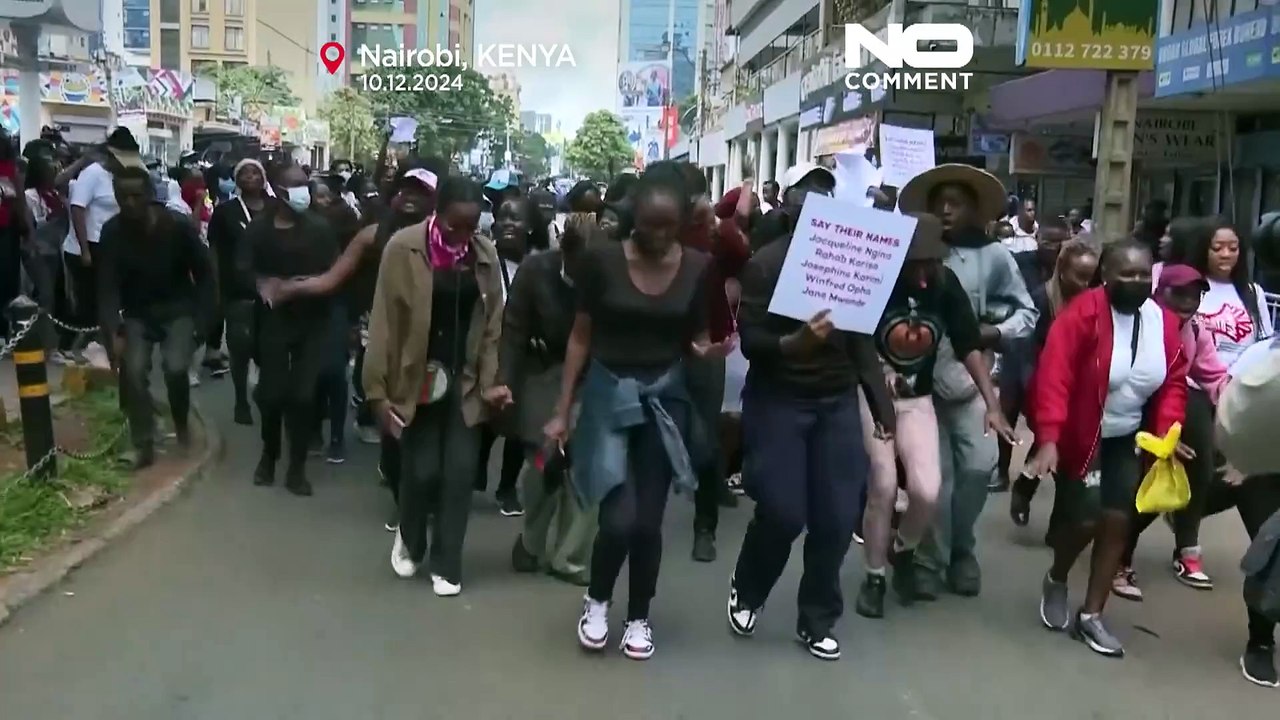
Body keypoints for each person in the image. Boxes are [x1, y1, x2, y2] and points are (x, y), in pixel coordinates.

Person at [546, 169, 729, 661]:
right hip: (609, 397)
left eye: (670, 227)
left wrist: (707, 351)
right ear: (633, 221)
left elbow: (693, 338)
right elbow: (581, 336)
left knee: (649, 522)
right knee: (619, 518)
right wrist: (562, 411)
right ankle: (598, 600)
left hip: (664, 401)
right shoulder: (602, 261)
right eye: (650, 226)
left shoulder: (697, 266)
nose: (660, 236)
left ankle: (640, 615)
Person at [723, 161, 891, 661]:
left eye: (826, 192)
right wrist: (794, 343)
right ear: (789, 203)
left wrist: (881, 402)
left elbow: (860, 340)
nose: (814, 201)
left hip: (836, 401)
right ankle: (748, 587)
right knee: (782, 511)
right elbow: (751, 342)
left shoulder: (852, 261)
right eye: (805, 192)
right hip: (780, 399)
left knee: (838, 517)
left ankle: (816, 618)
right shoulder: (766, 264)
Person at [1026, 239, 1189, 658]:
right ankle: (1058, 576)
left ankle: (1092, 615)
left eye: (1142, 273)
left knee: (1118, 520)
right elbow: (1054, 377)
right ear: (1106, 275)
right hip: (1083, 434)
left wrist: (1170, 433)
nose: (1135, 281)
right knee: (1083, 520)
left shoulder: (1163, 322)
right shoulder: (1081, 315)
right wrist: (1047, 438)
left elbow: (1172, 380)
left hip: (1128, 436)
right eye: (1125, 273)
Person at [855, 213, 1015, 618]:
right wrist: (881, 380)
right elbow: (853, 344)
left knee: (927, 489)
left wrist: (992, 405)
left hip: (917, 398)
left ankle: (902, 550)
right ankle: (874, 577)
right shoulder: (874, 283)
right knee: (885, 484)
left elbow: (968, 347)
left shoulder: (946, 287)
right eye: (916, 265)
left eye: (932, 263)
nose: (925, 274)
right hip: (873, 397)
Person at [270, 162, 442, 528]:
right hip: (385, 344)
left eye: (421, 191)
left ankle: (426, 498)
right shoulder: (372, 236)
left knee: (431, 426)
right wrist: (291, 287)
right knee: (394, 430)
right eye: (405, 189)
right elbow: (332, 278)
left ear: (436, 200)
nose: (411, 196)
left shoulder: (449, 240)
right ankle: (402, 496)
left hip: (437, 345)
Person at [363, 176, 510, 597]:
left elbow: (493, 328)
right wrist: (377, 393)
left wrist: (491, 381)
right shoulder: (403, 248)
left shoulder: (484, 254)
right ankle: (411, 537)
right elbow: (384, 323)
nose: (463, 236)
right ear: (436, 213)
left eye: (472, 226)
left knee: (460, 473)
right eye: (454, 226)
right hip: (416, 379)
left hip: (464, 382)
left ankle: (448, 562)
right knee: (422, 470)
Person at [896, 164, 1038, 597]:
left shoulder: (994, 256)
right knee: (935, 478)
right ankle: (930, 559)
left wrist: (992, 332)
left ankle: (964, 548)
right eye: (939, 203)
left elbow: (1026, 313)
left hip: (972, 383)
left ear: (975, 210)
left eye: (955, 203)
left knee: (978, 468)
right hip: (918, 386)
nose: (946, 210)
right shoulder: (907, 252)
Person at [1158, 217, 1273, 588]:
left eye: (1234, 247)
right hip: (1188, 388)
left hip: (1237, 392)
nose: (1226, 254)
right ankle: (1187, 548)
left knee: (1246, 473)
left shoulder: (1253, 293)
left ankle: (1265, 560)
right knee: (1204, 464)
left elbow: (1263, 345)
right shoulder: (1186, 285)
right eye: (1217, 246)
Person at [1114, 263, 1231, 601]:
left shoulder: (1195, 330)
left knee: (1171, 479)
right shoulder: (1141, 323)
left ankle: (1134, 551)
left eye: (1195, 295)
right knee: (1130, 487)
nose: (1188, 301)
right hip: (1128, 412)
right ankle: (1116, 556)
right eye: (1179, 293)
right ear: (1159, 292)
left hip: (1167, 414)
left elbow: (1213, 376)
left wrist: (1243, 403)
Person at [505, 212, 600, 586]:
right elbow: (513, 332)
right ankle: (531, 540)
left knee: (587, 468)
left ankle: (570, 558)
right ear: (564, 252)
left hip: (595, 375)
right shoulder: (534, 270)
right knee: (544, 461)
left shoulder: (610, 272)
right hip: (544, 371)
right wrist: (505, 384)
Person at [96, 166, 214, 468]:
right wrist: (113, 330)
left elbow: (205, 274)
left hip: (178, 309)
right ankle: (143, 445)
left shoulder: (176, 226)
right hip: (137, 314)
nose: (130, 202)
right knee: (133, 372)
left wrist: (203, 321)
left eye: (137, 195)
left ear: (150, 195)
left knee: (175, 368)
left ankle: (181, 421)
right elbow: (107, 285)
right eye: (123, 196)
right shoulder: (112, 232)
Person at [236, 164, 339, 496]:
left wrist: (309, 286)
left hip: (313, 321)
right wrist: (262, 284)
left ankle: (297, 467)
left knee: (303, 396)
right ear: (277, 191)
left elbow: (335, 272)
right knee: (272, 394)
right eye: (294, 186)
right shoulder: (259, 230)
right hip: (274, 320)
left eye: (304, 186)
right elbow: (242, 269)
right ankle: (269, 455)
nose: (302, 192)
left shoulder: (320, 229)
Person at [1008, 241, 1100, 528]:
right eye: (1079, 276)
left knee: (1065, 449)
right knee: (1054, 441)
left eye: (1091, 277)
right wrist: (1028, 389)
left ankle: (1032, 491)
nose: (1086, 284)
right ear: (1061, 272)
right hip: (1041, 381)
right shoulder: (1041, 299)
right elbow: (1024, 350)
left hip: (1079, 387)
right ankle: (1026, 491)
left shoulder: (1095, 303)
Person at [475, 194, 551, 515]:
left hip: (526, 357)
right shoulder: (483, 258)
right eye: (502, 216)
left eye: (516, 218)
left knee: (519, 425)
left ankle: (507, 487)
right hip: (488, 350)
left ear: (531, 226)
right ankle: (473, 471)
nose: (508, 223)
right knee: (485, 420)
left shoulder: (543, 265)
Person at [207, 158, 274, 424]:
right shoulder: (226, 212)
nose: (249, 176)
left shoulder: (275, 208)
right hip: (238, 292)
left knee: (269, 348)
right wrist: (215, 285)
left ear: (263, 178)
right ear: (235, 180)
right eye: (243, 172)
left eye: (255, 172)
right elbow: (213, 249)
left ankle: (265, 393)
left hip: (272, 291)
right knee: (239, 347)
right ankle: (240, 401)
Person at [67, 128, 144, 359]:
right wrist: (85, 250)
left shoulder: (125, 176)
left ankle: (104, 343)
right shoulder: (93, 173)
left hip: (112, 244)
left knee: (110, 295)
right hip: (87, 244)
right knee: (89, 299)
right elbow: (77, 208)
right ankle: (79, 347)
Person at [306, 178, 362, 463]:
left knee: (335, 375)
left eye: (328, 195)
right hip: (306, 308)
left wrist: (354, 320)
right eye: (317, 196)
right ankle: (313, 430)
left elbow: (354, 276)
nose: (322, 200)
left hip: (337, 307)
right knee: (312, 375)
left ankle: (337, 438)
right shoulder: (300, 225)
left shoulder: (347, 221)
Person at [21, 154, 68, 352]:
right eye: (49, 171)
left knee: (51, 297)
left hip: (53, 250)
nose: (53, 174)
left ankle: (40, 339)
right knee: (45, 294)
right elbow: (31, 223)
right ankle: (46, 344)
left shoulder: (54, 194)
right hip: (35, 250)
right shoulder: (30, 195)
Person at [0, 128, 33, 329]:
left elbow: (20, 200)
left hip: (6, 232)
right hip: (7, 231)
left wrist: (27, 229)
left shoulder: (11, 168)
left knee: (7, 281)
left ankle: (4, 328)